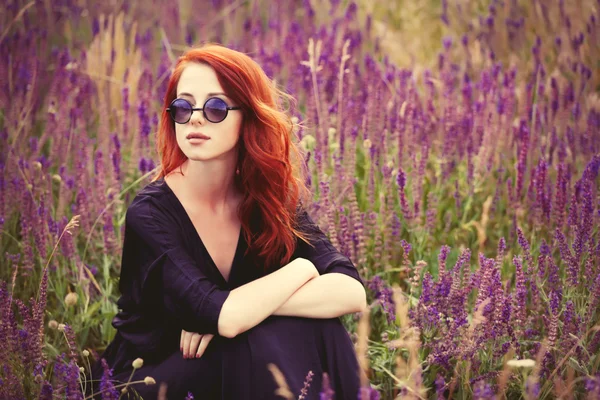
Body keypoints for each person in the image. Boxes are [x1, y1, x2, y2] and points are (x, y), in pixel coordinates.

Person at [87, 43, 366, 400]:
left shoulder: (264, 198)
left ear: (248, 116)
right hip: (152, 375)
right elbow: (226, 317)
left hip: (230, 357)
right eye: (183, 107)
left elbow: (351, 290)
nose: (196, 119)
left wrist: (246, 311)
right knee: (255, 339)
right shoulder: (151, 214)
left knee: (316, 328)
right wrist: (300, 271)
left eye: (216, 107)